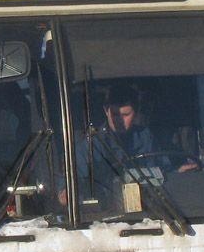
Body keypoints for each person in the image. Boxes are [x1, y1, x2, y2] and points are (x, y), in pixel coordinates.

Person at [59, 82, 196, 207]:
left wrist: (177, 172)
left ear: (135, 112)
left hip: (148, 209)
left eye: (126, 114)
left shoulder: (146, 137)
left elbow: (160, 170)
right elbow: (74, 177)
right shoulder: (92, 144)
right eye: (115, 114)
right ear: (106, 111)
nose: (119, 120)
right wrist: (65, 192)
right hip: (107, 214)